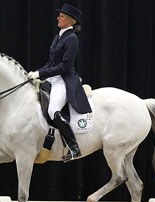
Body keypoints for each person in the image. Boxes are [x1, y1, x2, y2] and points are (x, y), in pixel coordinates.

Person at [28, 3, 92, 161]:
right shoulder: (59, 37)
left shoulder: (72, 39)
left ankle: (73, 147)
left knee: (53, 110)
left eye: (61, 16)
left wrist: (40, 73)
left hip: (63, 80)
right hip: (52, 78)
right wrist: (36, 73)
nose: (58, 17)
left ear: (70, 21)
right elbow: (51, 63)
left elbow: (64, 66)